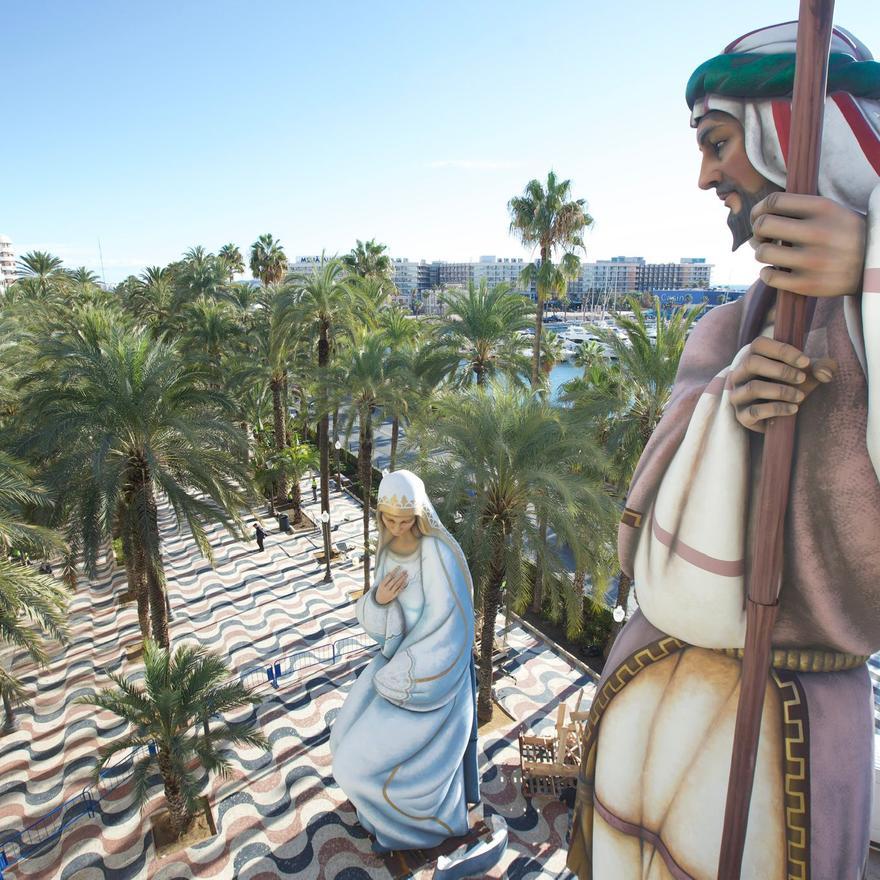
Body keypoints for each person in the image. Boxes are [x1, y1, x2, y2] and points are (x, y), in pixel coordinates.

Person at [567, 22, 880, 879]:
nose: (705, 175)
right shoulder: (720, 331)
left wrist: (870, 269)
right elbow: (647, 536)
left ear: (787, 134)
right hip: (647, 691)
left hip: (795, 729)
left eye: (717, 144)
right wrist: (727, 413)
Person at [330, 469, 480, 853]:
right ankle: (379, 817)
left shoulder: (438, 553)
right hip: (392, 666)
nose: (396, 528)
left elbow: (450, 623)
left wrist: (409, 671)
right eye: (388, 520)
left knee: (353, 765)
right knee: (340, 741)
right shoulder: (387, 551)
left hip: (430, 683)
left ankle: (412, 829)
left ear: (420, 515)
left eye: (405, 520)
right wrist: (378, 602)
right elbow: (387, 624)